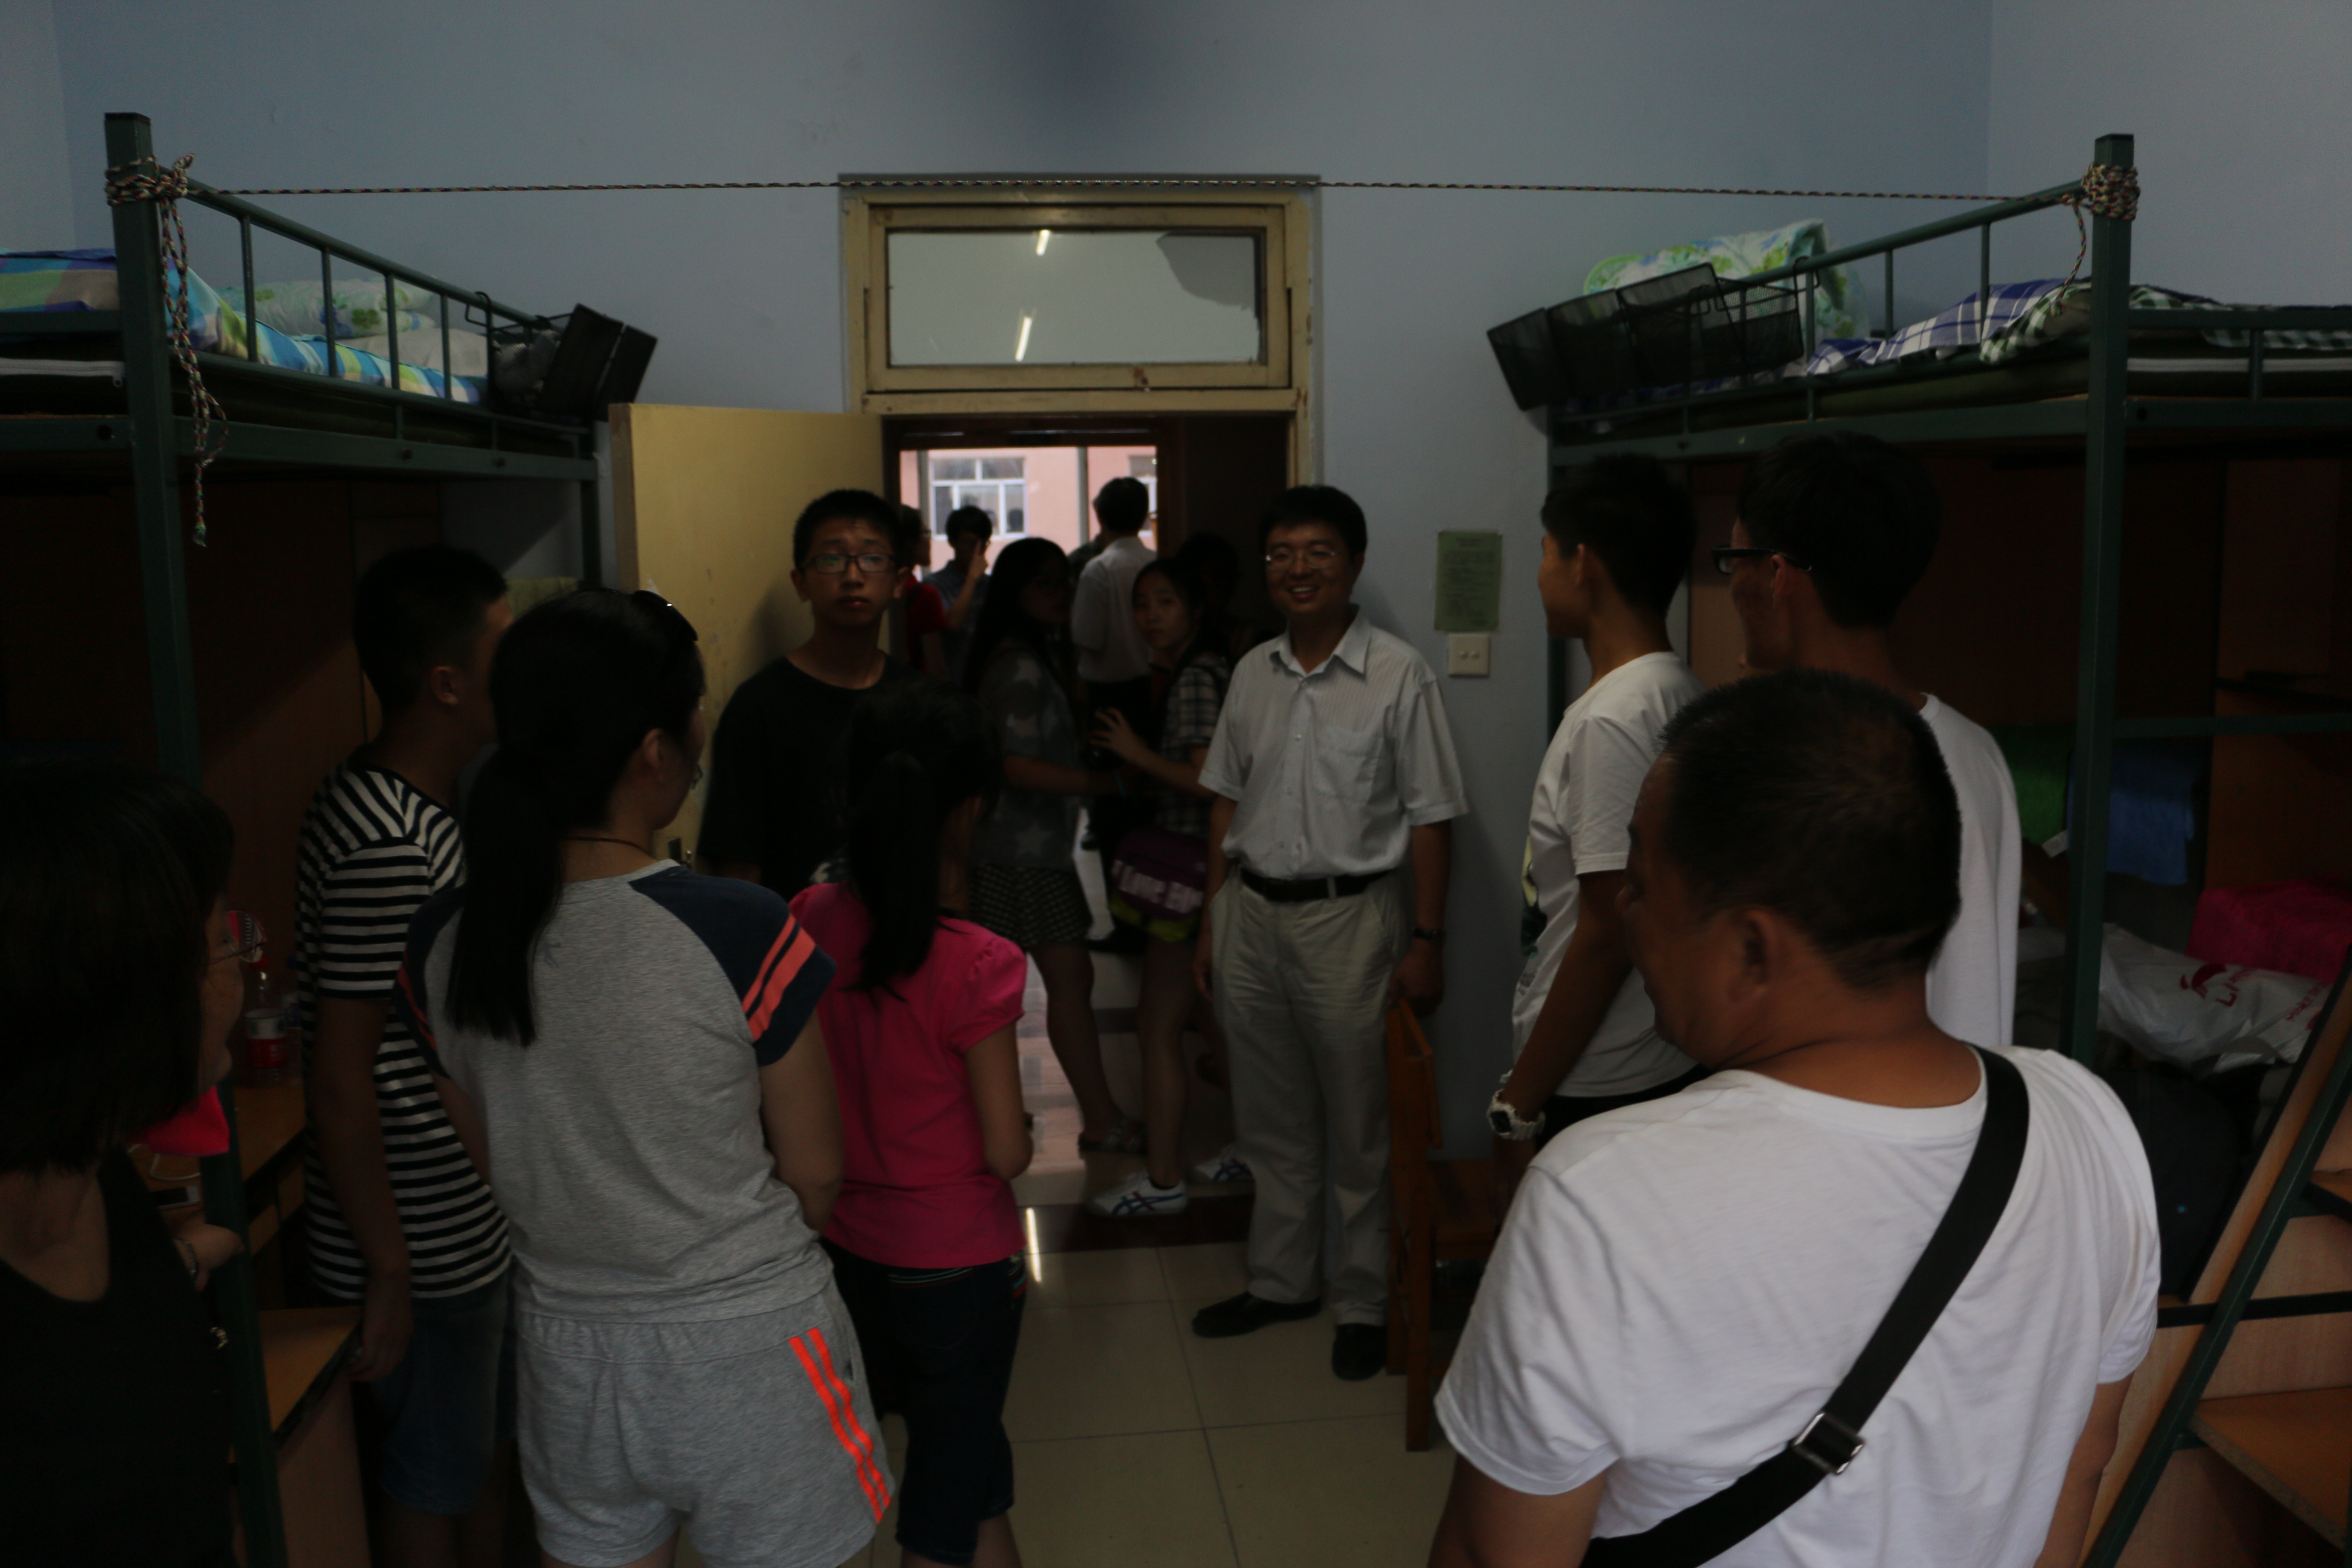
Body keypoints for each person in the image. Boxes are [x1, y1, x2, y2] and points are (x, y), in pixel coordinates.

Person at [1430, 670, 2160, 1567]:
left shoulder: (1601, 1197)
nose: (1623, 910)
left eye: (1643, 883)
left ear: (1750, 947)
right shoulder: (2088, 1123)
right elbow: (2079, 1470)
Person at [397, 590, 882, 1568]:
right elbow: (816, 1173)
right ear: (654, 751)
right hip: (749, 1344)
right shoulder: (736, 924)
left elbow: (500, 1157)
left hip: (569, 1352)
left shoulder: (443, 939)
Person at [1189, 485, 1467, 1382]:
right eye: (1280, 553)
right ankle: (1281, 1282)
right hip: (1250, 915)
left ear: (1353, 563)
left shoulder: (1398, 674)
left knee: (1360, 1123)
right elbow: (1224, 801)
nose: (1297, 569)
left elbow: (1432, 819)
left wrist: (1427, 941)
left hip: (1351, 922)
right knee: (1269, 1120)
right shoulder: (1251, 671)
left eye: (1317, 551)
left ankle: (1361, 1301)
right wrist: (1211, 919)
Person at [296, 544, 515, 1568]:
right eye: (504, 648)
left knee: (471, 1463)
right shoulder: (388, 838)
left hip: (452, 1224)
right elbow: (342, 1076)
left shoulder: (415, 807)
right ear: (447, 683)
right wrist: (388, 1267)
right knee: (431, 1478)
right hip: (420, 1242)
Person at [793, 683, 1033, 1568]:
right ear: (969, 812)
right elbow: (1005, 1150)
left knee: (973, 1477)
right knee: (940, 1512)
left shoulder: (808, 917)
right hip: (956, 1270)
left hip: (848, 1252)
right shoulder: (979, 962)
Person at [0, 759, 249, 1568]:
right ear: (127, 996)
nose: (240, 974)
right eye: (222, 945)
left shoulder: (94, 1170)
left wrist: (186, 1260)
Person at [1722, 430, 2021, 1048]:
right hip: (1971, 1094)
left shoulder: (1790, 772)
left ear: (1776, 575)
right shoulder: (1976, 751)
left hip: (1847, 1105)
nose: (1731, 586)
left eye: (1734, 560)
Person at [1490, 457, 1707, 1201]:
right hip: (1644, 1057)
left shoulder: (1614, 719)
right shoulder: (1678, 690)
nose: (1540, 573)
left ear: (1582, 564)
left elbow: (1607, 930)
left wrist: (1518, 1104)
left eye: (1545, 552)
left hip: (1600, 1072)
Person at [965, 538, 1141, 1152]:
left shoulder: (1028, 656)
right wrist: (1109, 784)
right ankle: (1099, 1119)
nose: (1061, 592)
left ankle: (1006, 1113)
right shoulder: (1018, 666)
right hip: (1020, 853)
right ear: (1016, 593)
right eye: (1046, 583)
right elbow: (1017, 766)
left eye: (1064, 581)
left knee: (1028, 985)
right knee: (1065, 980)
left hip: (1022, 850)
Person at [1086, 557, 1237, 1216]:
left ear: (1196, 612)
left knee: (1156, 1025)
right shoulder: (1205, 670)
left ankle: (1164, 1178)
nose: (1150, 616)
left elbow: (1210, 782)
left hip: (1192, 872)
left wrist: (1137, 755)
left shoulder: (1197, 678)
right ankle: (1256, 1147)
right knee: (1215, 1021)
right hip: (1211, 869)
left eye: (1166, 603)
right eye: (1142, 604)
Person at [701, 488, 928, 895]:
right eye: (832, 560)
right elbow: (737, 868)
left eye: (872, 559)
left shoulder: (920, 701)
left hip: (901, 928)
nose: (853, 576)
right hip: (791, 932)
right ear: (801, 583)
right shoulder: (759, 706)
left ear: (898, 582)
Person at [1070, 476, 1159, 942]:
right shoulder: (1159, 565)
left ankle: (1125, 926)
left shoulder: (1099, 570)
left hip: (1109, 700)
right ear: (1144, 515)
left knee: (1112, 814)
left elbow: (1087, 637)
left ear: (1099, 515)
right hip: (1156, 694)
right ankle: (1158, 914)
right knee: (1151, 809)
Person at [1176, 531, 1274, 665]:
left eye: (1231, 575)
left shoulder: (1251, 637)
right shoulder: (1172, 634)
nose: (1226, 583)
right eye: (1216, 574)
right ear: (1191, 577)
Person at [930, 504, 992, 684]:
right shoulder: (935, 585)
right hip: (952, 682)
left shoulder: (990, 585)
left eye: (983, 543)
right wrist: (972, 579)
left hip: (987, 682)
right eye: (971, 543)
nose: (978, 551)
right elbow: (952, 623)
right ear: (953, 542)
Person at [897, 504, 951, 680]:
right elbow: (937, 670)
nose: (929, 540)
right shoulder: (925, 595)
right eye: (926, 533)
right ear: (910, 541)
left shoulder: (881, 586)